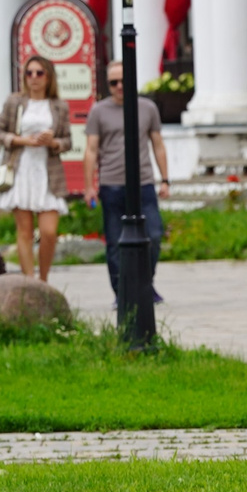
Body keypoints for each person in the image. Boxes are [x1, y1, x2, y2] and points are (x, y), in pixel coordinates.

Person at [86, 59, 168, 324]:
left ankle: (145, 283)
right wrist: (89, 186)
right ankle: (122, 293)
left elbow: (157, 144)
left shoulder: (147, 107)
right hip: (112, 184)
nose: (120, 86)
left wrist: (165, 179)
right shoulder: (99, 111)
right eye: (113, 82)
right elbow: (91, 150)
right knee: (115, 242)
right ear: (108, 84)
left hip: (143, 183)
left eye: (124, 80)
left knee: (153, 235)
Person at [0, 55, 70, 282]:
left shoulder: (59, 106)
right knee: (24, 232)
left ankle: (43, 280)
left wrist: (52, 142)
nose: (34, 78)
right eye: (29, 73)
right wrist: (21, 140)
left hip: (47, 172)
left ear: (48, 77)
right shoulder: (14, 102)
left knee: (49, 232)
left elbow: (67, 141)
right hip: (21, 169)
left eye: (39, 73)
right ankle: (29, 280)